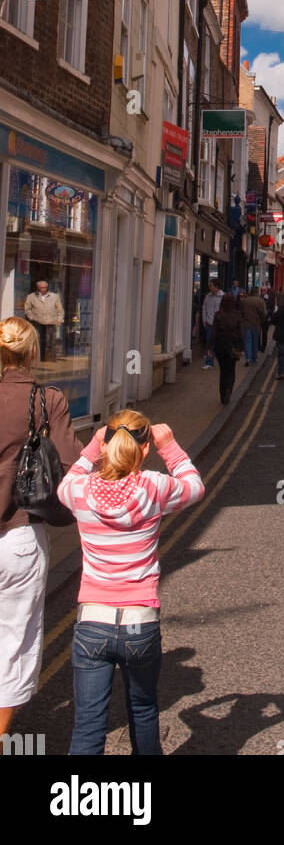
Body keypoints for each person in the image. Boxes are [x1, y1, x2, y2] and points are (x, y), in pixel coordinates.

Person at [57, 409, 204, 755]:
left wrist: (92, 447)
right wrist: (171, 447)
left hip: (93, 620)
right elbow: (195, 486)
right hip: (140, 621)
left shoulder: (79, 490)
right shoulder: (154, 486)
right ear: (145, 450)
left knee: (89, 723)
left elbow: (68, 479)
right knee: (143, 710)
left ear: (107, 445)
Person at [0, 318, 80, 748]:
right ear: (33, 353)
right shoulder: (47, 399)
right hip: (19, 538)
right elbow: (73, 464)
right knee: (12, 643)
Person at [23, 280, 64, 364]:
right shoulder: (31, 296)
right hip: (37, 320)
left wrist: (59, 319)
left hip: (51, 321)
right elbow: (27, 308)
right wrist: (31, 317)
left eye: (45, 287)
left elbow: (60, 309)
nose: (43, 289)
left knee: (51, 340)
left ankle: (51, 358)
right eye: (41, 287)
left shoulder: (54, 296)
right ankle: (39, 358)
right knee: (38, 339)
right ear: (38, 288)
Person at [212, 294, 243, 405]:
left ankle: (222, 395)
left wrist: (211, 347)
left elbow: (214, 333)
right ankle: (229, 388)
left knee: (223, 370)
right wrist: (240, 348)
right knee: (231, 369)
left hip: (220, 346)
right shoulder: (237, 315)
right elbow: (240, 334)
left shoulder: (218, 315)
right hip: (232, 346)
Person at [240, 288, 267, 367]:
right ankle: (254, 359)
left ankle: (248, 358)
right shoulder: (260, 301)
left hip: (247, 324)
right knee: (255, 342)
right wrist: (261, 320)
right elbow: (264, 313)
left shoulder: (245, 301)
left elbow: (241, 312)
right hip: (256, 324)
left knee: (248, 342)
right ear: (257, 292)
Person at [201, 281, 223, 369]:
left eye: (211, 285)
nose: (209, 287)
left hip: (220, 325)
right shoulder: (208, 296)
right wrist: (204, 320)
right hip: (209, 324)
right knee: (209, 344)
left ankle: (221, 361)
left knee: (220, 344)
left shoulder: (223, 296)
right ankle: (209, 362)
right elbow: (204, 308)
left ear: (216, 286)